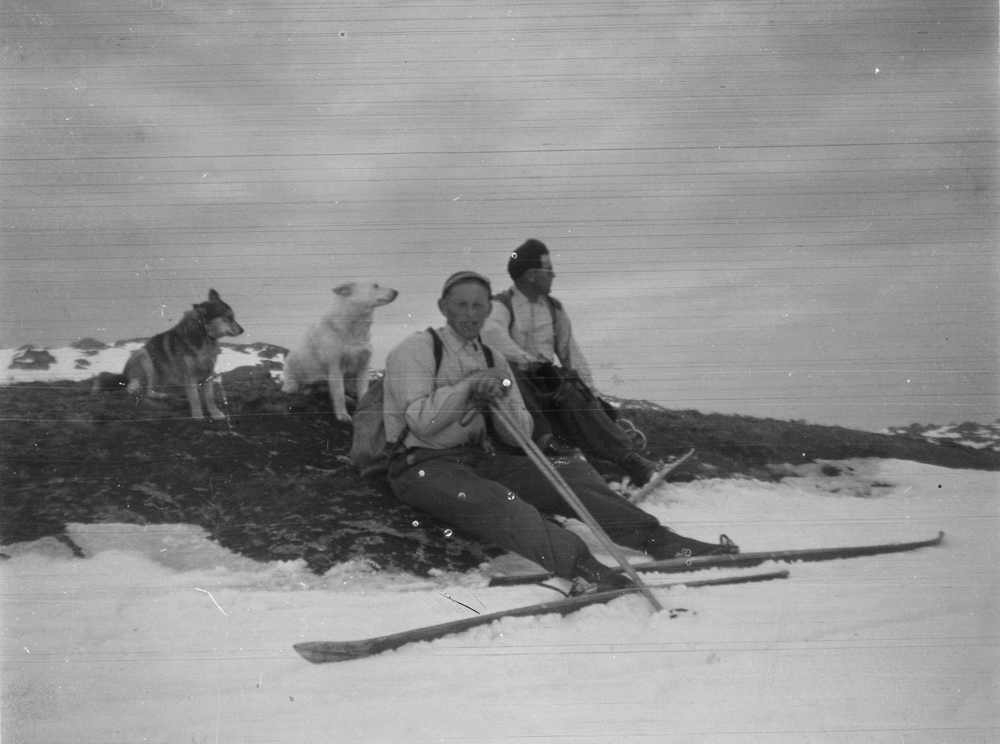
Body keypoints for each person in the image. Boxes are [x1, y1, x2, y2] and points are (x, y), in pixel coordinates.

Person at [382, 270, 737, 593]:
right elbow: (421, 422)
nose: (470, 313)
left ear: (489, 308)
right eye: (461, 305)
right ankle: (582, 567)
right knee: (502, 502)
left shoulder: (493, 358)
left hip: (477, 459)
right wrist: (469, 387)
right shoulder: (415, 350)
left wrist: (502, 397)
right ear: (443, 306)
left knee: (571, 473)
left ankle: (659, 541)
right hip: (421, 466)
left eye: (478, 305)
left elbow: (516, 432)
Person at [481, 238, 662, 486]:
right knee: (514, 372)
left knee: (574, 391)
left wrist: (590, 391)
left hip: (549, 385)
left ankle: (626, 462)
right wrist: (528, 362)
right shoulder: (501, 306)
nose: (553, 275)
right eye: (548, 270)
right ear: (531, 275)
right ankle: (614, 464)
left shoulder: (555, 310)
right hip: (519, 388)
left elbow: (570, 353)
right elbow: (491, 336)